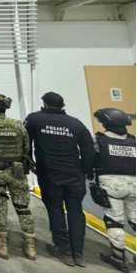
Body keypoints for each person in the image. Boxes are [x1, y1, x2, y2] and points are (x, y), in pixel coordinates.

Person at [25, 92, 94, 268]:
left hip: (49, 173)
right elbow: (88, 149)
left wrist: (29, 163)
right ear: (62, 105)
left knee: (55, 210)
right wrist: (85, 171)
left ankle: (63, 250)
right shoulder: (75, 123)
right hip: (74, 174)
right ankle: (78, 253)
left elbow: (26, 144)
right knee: (76, 211)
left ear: (44, 104)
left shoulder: (34, 119)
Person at [0, 91, 36, 260]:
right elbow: (26, 148)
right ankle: (30, 246)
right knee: (23, 207)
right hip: (17, 170)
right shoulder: (17, 125)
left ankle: (1, 244)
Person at [91, 108, 135, 273]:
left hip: (110, 184)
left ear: (106, 123)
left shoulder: (98, 140)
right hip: (134, 184)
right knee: (135, 220)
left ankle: (118, 257)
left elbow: (90, 159)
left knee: (114, 221)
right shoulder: (133, 141)